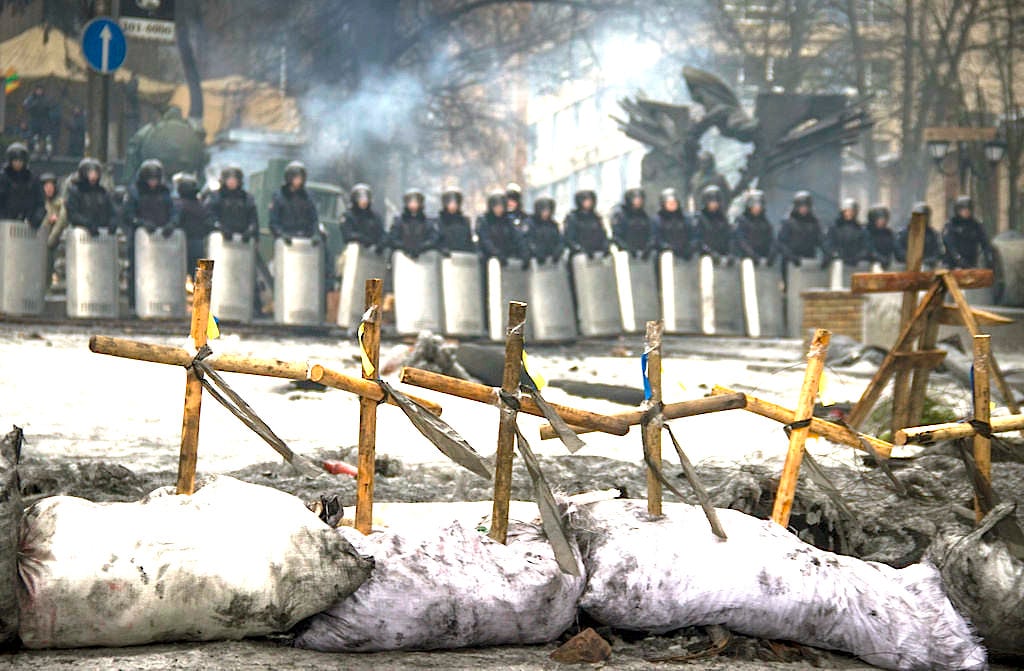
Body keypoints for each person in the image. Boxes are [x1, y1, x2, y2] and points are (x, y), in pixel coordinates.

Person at [123, 159, 175, 309]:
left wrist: (171, 224)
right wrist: (141, 223)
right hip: (139, 239)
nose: (153, 183)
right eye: (150, 180)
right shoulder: (135, 192)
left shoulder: (165, 192)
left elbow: (173, 211)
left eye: (155, 179)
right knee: (136, 272)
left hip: (161, 239)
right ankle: (134, 304)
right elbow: (127, 215)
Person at [269, 161, 322, 244]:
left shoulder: (307, 197)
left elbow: (314, 219)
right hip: (286, 239)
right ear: (289, 177)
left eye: (301, 177)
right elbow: (274, 221)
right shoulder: (279, 196)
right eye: (296, 177)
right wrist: (281, 234)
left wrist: (315, 233)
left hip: (305, 240)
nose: (299, 180)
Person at [205, 165, 258, 242]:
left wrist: (250, 230)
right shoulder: (216, 196)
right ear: (224, 180)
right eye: (229, 180)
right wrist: (220, 227)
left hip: (242, 239)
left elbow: (253, 218)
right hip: (220, 239)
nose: (232, 182)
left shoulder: (246, 198)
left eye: (234, 180)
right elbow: (209, 217)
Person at [0, 142, 45, 229]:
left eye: (20, 161)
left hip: (27, 225)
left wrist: (36, 219)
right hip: (4, 224)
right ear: (10, 161)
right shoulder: (3, 178)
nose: (18, 163)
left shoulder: (32, 178)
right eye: (15, 160)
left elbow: (40, 203)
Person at [174, 173, 213, 273]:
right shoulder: (202, 206)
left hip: (182, 245)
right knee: (202, 282)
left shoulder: (178, 204)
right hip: (200, 245)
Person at [65, 158, 113, 237]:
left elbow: (112, 210)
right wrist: (87, 223)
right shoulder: (75, 191)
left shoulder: (102, 192)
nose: (93, 176)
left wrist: (112, 223)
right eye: (90, 173)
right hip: (80, 235)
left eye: (96, 173)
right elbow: (72, 214)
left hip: (101, 235)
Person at [942, 195, 993, 269]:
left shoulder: (976, 225)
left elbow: (985, 243)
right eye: (963, 209)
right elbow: (950, 247)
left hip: (971, 263)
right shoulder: (951, 225)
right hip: (952, 264)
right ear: (957, 210)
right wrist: (959, 259)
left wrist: (989, 257)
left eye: (969, 208)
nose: (966, 211)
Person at [477, 190, 525, 267]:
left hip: (506, 258)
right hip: (488, 260)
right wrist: (496, 253)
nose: (499, 209)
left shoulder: (508, 221)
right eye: (496, 207)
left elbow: (516, 238)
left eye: (501, 207)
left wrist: (522, 253)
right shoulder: (485, 220)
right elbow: (485, 240)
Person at [388, 189, 439, 259]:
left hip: (424, 260)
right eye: (410, 202)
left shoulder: (427, 222)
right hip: (402, 258)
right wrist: (404, 246)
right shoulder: (399, 221)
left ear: (420, 203)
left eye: (416, 202)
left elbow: (434, 239)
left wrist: (422, 247)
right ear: (406, 203)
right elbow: (392, 238)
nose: (413, 204)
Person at [777, 191, 823, 266]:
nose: (804, 209)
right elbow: (781, 243)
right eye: (801, 206)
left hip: (808, 260)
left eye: (806, 206)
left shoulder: (813, 223)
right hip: (791, 262)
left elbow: (821, 240)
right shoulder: (788, 222)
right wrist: (791, 257)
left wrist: (827, 253)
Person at [612, 187, 657, 259]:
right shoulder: (621, 215)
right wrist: (627, 249)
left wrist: (648, 248)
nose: (638, 202)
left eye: (640, 199)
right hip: (627, 254)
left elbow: (651, 234)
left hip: (644, 254)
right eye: (635, 199)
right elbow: (617, 236)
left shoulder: (644, 215)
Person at [564, 188, 610, 259]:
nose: (588, 203)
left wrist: (605, 246)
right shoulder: (572, 217)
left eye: (590, 200)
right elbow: (569, 238)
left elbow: (603, 234)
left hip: (598, 254)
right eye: (585, 200)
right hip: (580, 256)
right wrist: (579, 249)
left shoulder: (596, 216)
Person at [340, 183, 385, 253]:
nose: (363, 201)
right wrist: (364, 239)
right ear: (354, 199)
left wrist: (378, 246)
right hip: (354, 251)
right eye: (360, 198)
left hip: (373, 252)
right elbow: (348, 235)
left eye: (366, 198)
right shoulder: (348, 215)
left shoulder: (375, 216)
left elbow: (382, 235)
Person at [732, 189, 774, 264]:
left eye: (759, 205)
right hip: (745, 260)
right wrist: (753, 256)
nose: (757, 208)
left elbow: (771, 240)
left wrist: (770, 256)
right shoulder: (741, 221)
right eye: (754, 205)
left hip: (762, 260)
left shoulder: (765, 222)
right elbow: (741, 241)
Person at [895, 203, 943, 268]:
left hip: (927, 267)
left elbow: (938, 252)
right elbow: (899, 250)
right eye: (919, 216)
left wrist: (926, 262)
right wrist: (910, 259)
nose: (922, 219)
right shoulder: (904, 233)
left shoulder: (933, 234)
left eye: (925, 217)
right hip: (907, 266)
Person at [823, 197, 866, 268]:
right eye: (847, 211)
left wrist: (859, 256)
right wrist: (835, 254)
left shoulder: (860, 229)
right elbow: (828, 244)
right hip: (837, 264)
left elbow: (865, 246)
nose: (849, 213)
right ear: (842, 212)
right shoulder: (834, 228)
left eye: (851, 211)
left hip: (855, 264)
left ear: (855, 212)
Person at [693, 185, 732, 262]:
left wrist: (729, 254)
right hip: (705, 259)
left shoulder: (723, 218)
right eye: (711, 201)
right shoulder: (699, 218)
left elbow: (729, 237)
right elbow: (698, 241)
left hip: (722, 257)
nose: (714, 204)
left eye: (716, 201)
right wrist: (710, 253)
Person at [522, 196, 565, 264]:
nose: (546, 213)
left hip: (551, 259)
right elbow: (526, 240)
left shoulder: (553, 224)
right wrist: (535, 251)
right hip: (534, 260)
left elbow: (560, 240)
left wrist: (558, 251)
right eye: (543, 210)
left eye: (548, 210)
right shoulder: (530, 223)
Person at [654, 188, 694, 259]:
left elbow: (691, 234)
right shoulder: (658, 219)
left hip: (684, 254)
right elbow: (657, 239)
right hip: (665, 255)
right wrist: (667, 248)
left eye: (674, 203)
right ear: (663, 204)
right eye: (669, 203)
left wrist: (689, 247)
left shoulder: (685, 218)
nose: (672, 205)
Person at [436, 187, 475, 254]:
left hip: (462, 257)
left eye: (455, 203)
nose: (453, 206)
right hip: (443, 257)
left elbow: (469, 241)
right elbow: (436, 240)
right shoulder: (439, 221)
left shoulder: (465, 221)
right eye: (450, 203)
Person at [864, 205, 896, 270]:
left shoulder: (888, 233)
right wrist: (881, 259)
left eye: (884, 219)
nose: (882, 222)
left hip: (886, 265)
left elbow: (896, 248)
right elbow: (869, 250)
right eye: (879, 219)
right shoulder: (866, 232)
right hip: (868, 265)